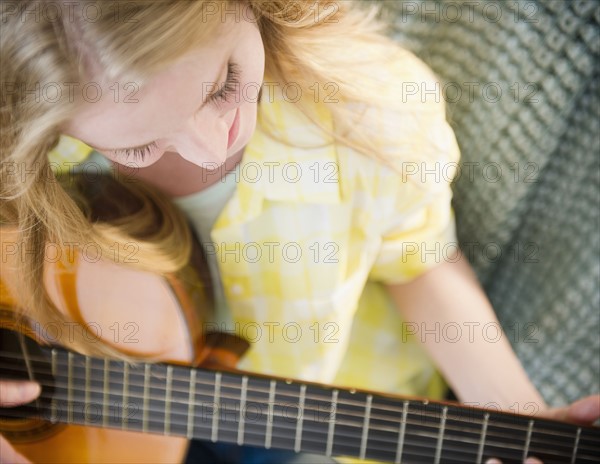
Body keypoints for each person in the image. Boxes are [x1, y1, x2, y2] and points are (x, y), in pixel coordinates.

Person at [1, 1, 598, 463]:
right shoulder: (39, 156)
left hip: (319, 413)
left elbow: (423, 261)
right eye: (139, 142)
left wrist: (521, 417)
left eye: (223, 84)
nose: (214, 142)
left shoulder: (367, 113)